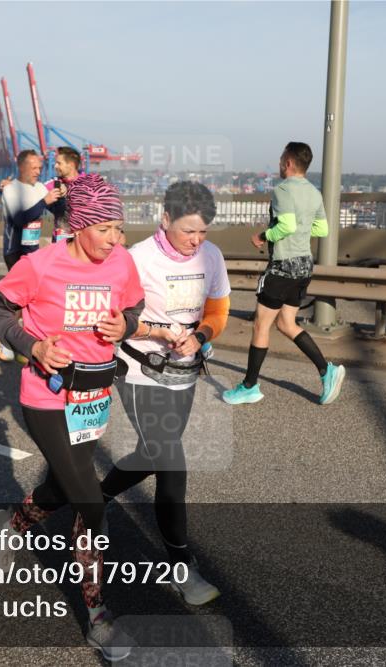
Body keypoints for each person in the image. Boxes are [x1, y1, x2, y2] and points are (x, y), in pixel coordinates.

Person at [0, 173, 145, 661]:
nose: (116, 240)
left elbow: (134, 304)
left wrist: (127, 323)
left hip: (94, 394)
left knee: (62, 486)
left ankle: (10, 524)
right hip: (46, 396)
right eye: (107, 229)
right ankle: (98, 616)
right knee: (90, 503)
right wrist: (32, 346)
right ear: (79, 225)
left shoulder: (121, 262)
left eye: (120, 228)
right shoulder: (40, 265)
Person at [100, 181, 230, 605]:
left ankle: (93, 497)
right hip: (140, 371)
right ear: (166, 219)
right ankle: (181, 568)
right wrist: (158, 332)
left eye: (203, 232)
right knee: (172, 462)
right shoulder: (136, 259)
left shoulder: (211, 257)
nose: (196, 240)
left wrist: (202, 336)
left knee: (154, 453)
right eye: (188, 230)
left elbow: (217, 310)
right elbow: (115, 318)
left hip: (184, 372)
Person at [223, 142, 346, 406]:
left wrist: (263, 235)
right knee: (286, 324)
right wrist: (300, 233)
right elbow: (321, 229)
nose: (279, 163)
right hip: (304, 266)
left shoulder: (282, 190)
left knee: (261, 325)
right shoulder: (314, 192)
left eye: (281, 159)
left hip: (282, 267)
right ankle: (327, 371)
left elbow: (287, 225)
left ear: (288, 162)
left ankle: (249, 386)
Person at [0, 149, 63, 362]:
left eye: (40, 168)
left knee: (31, 298)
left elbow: (57, 211)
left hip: (33, 251)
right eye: (33, 167)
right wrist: (44, 202)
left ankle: (25, 342)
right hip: (14, 250)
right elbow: (19, 218)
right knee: (19, 299)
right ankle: (5, 339)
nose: (37, 171)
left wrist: (63, 198)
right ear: (21, 167)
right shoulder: (11, 189)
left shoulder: (41, 188)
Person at [50, 146, 82, 242]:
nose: (55, 166)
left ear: (71, 164)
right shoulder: (53, 182)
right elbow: (34, 190)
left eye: (59, 163)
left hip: (81, 243)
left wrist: (68, 190)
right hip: (59, 243)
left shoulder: (89, 184)